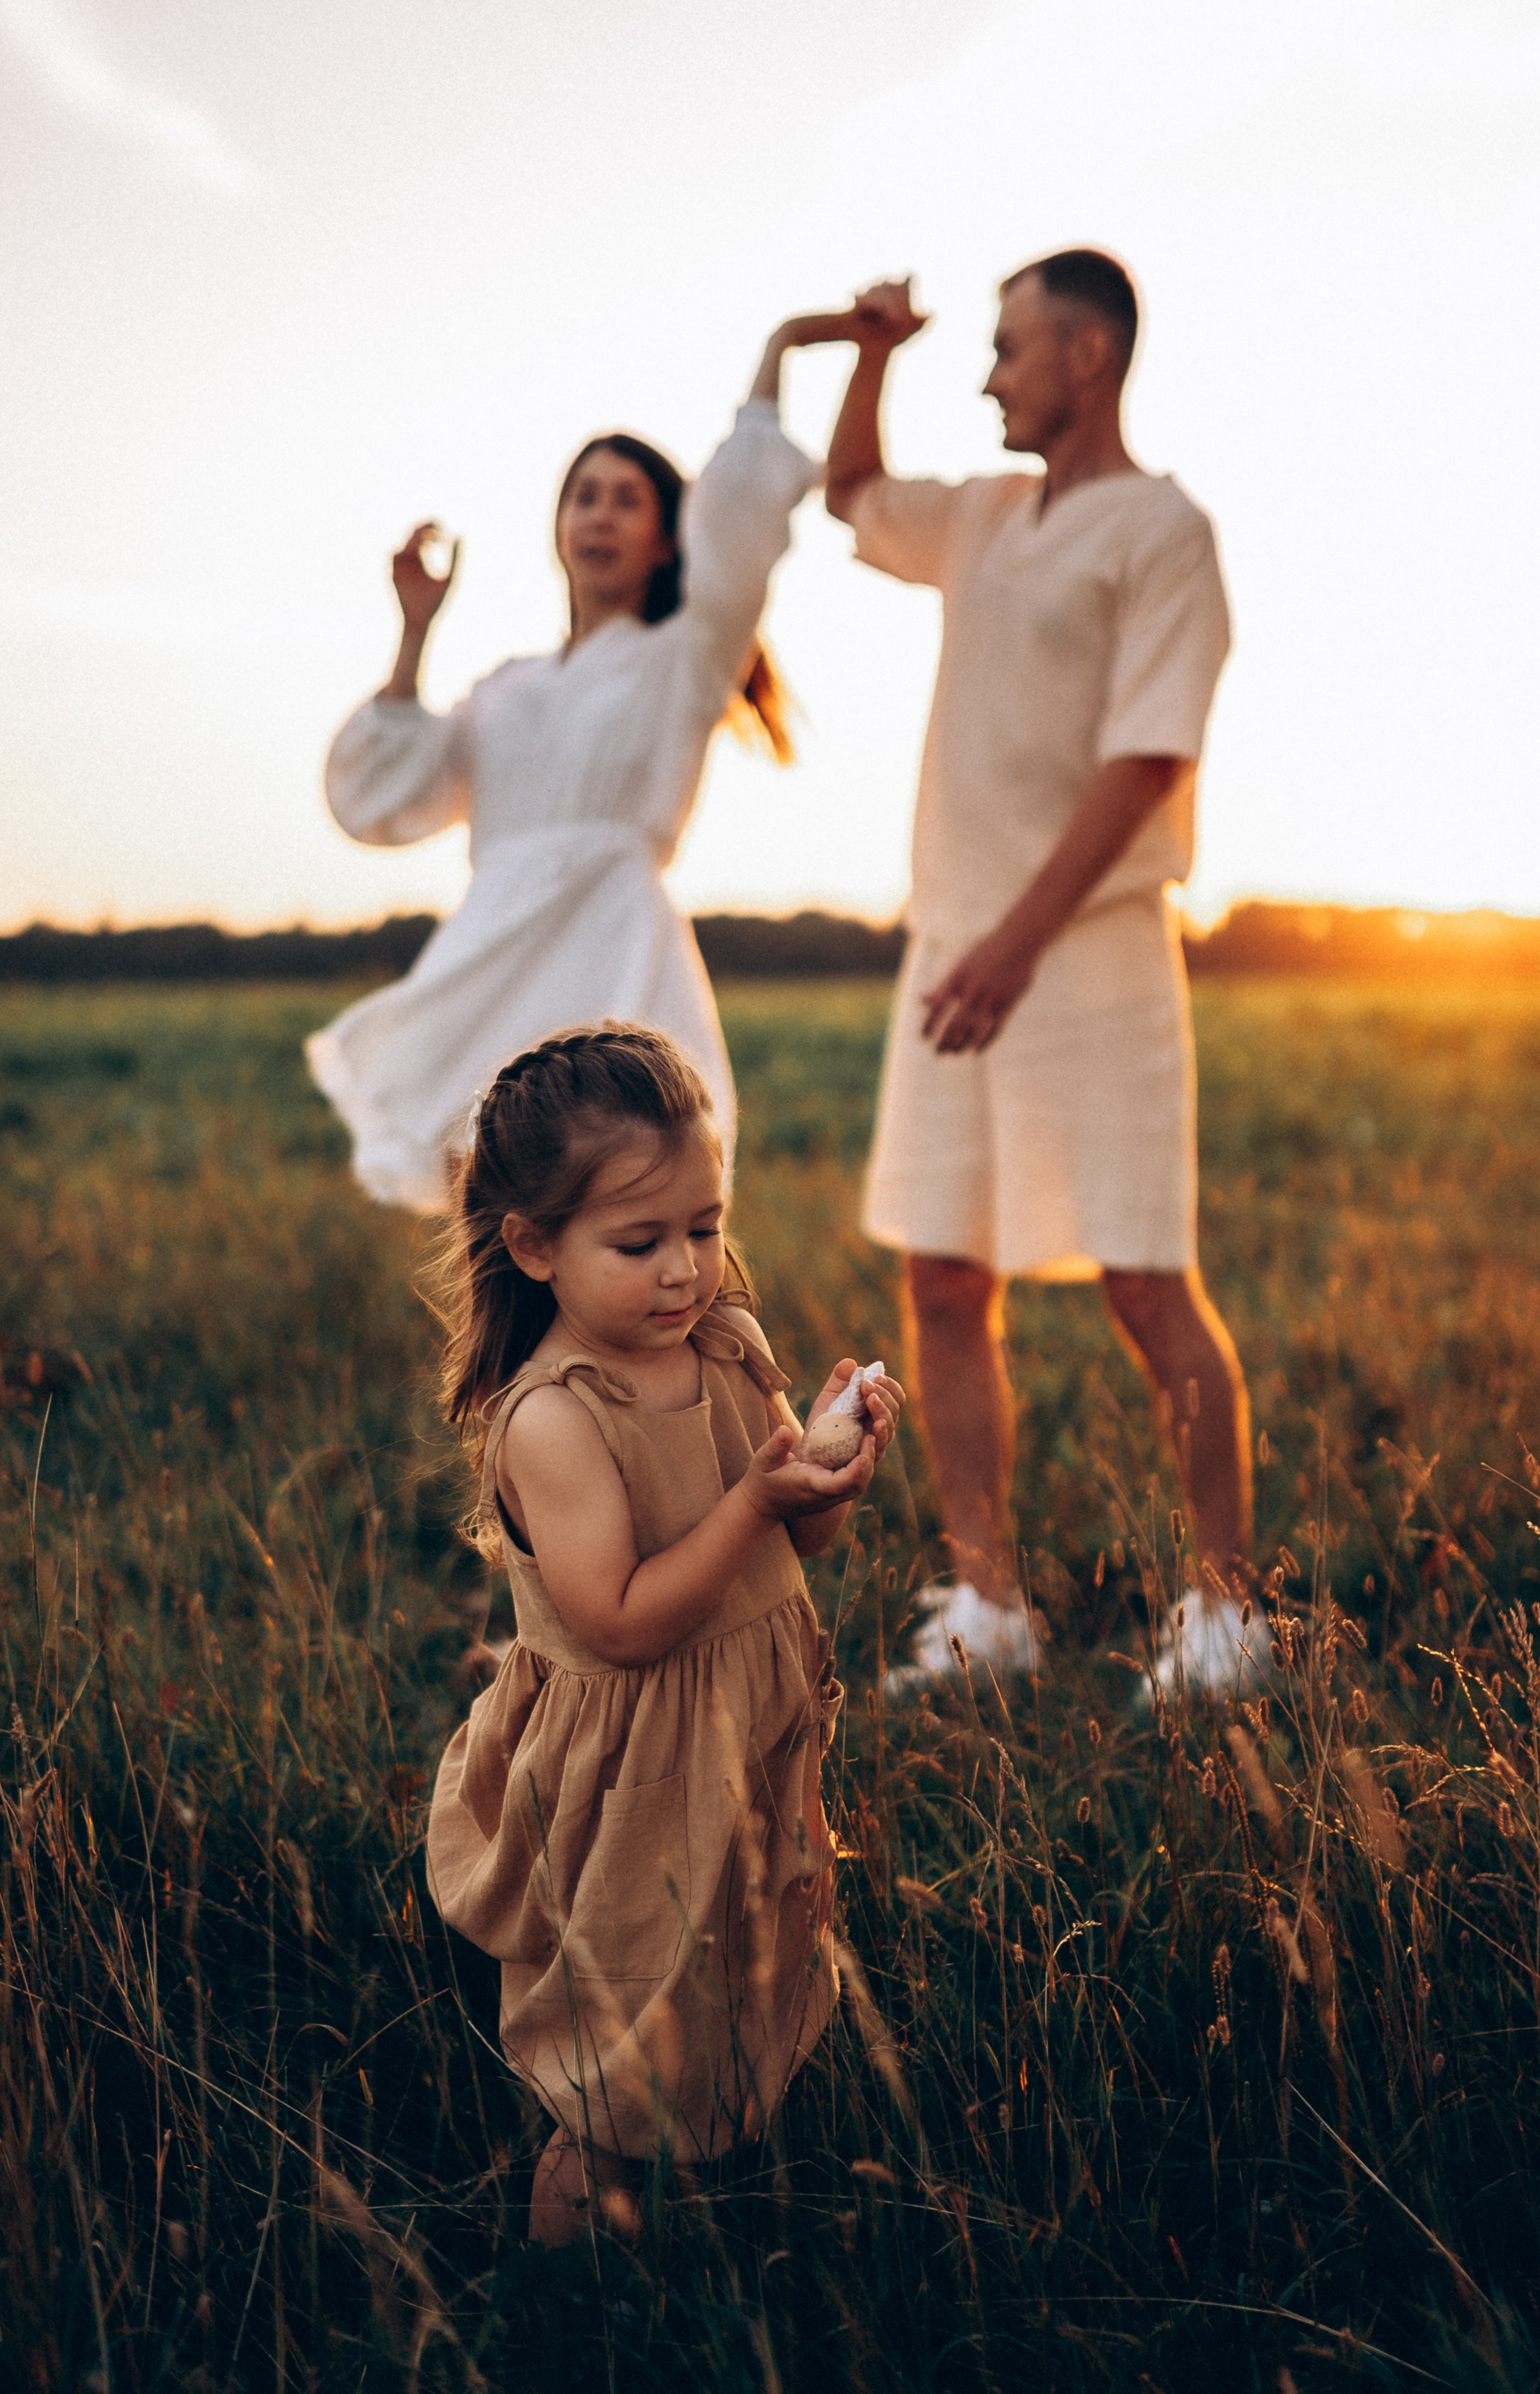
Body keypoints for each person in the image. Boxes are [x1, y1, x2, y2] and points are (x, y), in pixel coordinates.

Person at [823, 249, 1267, 1700]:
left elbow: (1148, 758)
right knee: (944, 1274)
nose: (988, 373)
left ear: (1084, 355)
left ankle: (1223, 1616)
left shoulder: (1162, 530)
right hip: (954, 953)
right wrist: (872, 353)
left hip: (1081, 955)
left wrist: (1016, 943)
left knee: (1143, 1279)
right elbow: (847, 496)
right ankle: (986, 1606)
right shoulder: (984, 517)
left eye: (1006, 348)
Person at [424, 1023, 903, 2242]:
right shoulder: (553, 1417)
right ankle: (571, 2302)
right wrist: (756, 1501)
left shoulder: (728, 1348)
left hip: (748, 1736)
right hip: (632, 1768)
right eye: (639, 1243)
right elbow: (622, 1622)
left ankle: (700, 2223)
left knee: (737, 1976)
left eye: (705, 1225)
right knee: (623, 2034)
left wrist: (829, 1479)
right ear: (533, 1246)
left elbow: (794, 1550)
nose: (686, 1269)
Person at [308, 316, 848, 1211]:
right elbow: (385, 800)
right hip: (492, 950)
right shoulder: (504, 688)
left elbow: (742, 523)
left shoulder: (688, 656)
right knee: (490, 1214)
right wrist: (414, 629)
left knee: (620, 1205)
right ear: (559, 524)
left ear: (669, 537)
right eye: (584, 496)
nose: (600, 514)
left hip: (613, 947)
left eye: (627, 499)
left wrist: (782, 347)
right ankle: (509, 1363)